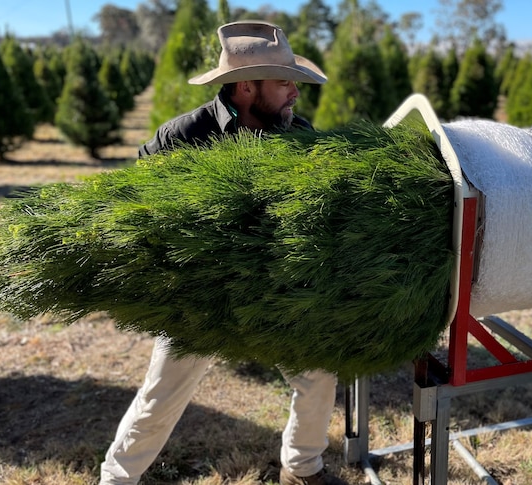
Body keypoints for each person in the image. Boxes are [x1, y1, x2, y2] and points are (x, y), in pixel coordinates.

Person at [99, 21, 347, 485]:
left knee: (318, 375)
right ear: (247, 86)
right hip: (200, 299)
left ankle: (302, 469)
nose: (295, 93)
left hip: (273, 294)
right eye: (284, 82)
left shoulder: (299, 135)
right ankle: (116, 480)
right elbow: (138, 212)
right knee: (160, 397)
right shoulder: (180, 139)